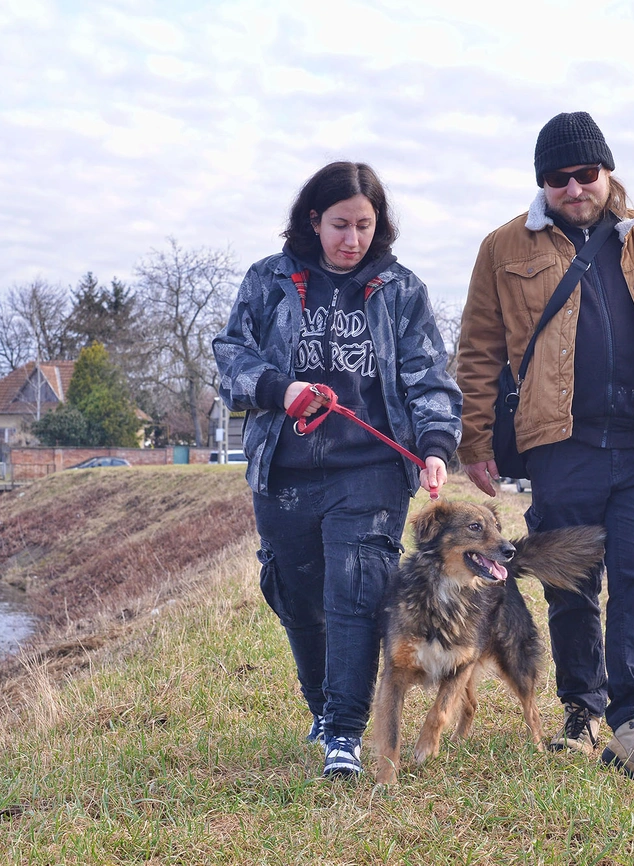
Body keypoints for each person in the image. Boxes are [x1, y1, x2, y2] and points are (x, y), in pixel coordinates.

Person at [455, 112, 634, 789]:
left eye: (585, 173)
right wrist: (474, 439)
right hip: (561, 445)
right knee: (572, 584)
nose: (574, 188)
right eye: (557, 178)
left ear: (607, 171)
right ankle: (581, 712)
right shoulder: (503, 248)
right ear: (542, 184)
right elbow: (478, 350)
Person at [213, 161, 461, 779]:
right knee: (297, 596)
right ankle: (322, 709)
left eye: (364, 226)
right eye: (340, 225)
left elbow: (429, 377)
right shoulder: (269, 280)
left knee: (355, 590)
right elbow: (231, 357)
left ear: (379, 225)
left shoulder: (401, 290)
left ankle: (345, 733)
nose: (352, 239)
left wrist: (435, 446)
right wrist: (280, 389)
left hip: (371, 471)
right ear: (313, 220)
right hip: (285, 470)